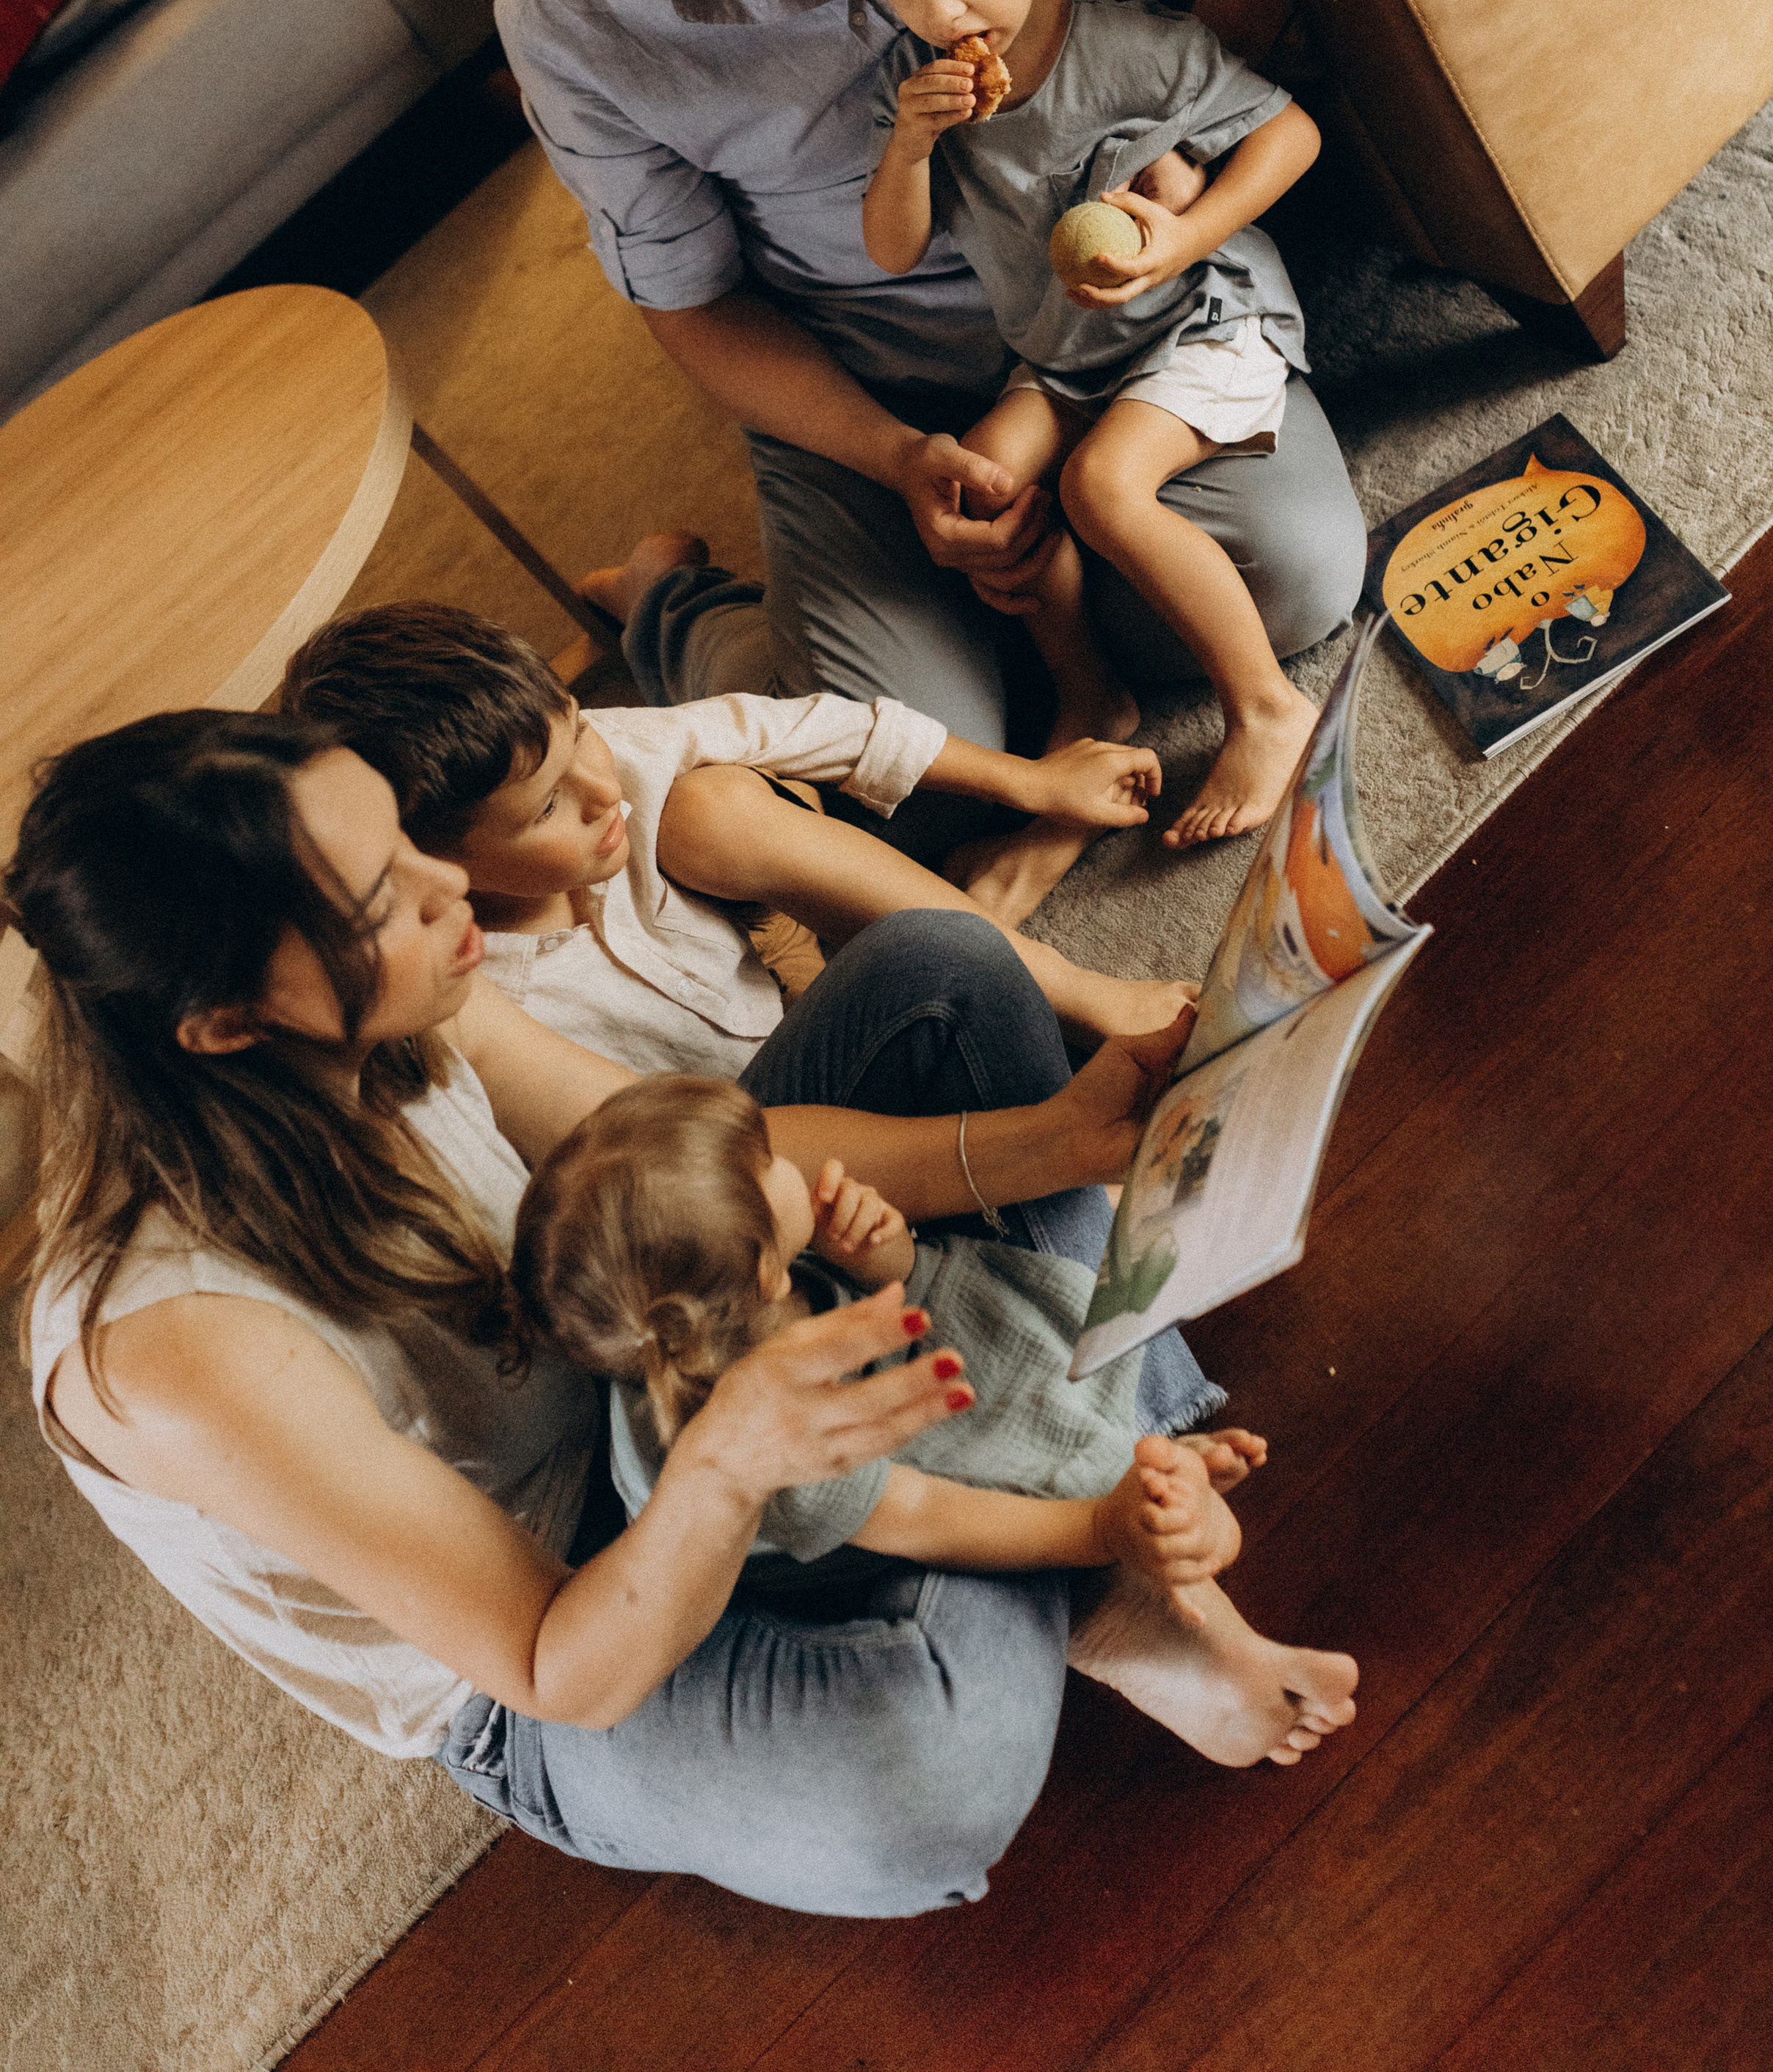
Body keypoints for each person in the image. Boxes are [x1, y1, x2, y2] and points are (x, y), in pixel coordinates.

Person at [12, 710, 1351, 1918]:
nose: (450, 883)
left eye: (411, 848)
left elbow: (707, 1159)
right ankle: (1096, 1538)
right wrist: (728, 1466)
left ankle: (1063, 1508)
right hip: (558, 1606)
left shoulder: (407, 991)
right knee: (919, 1779)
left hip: (635, 1340)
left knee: (940, 969)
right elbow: (554, 1665)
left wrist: (1052, 1141)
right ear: (229, 1021)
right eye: (382, 898)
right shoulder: (171, 1348)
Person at [440, 0, 1368, 894]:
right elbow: (688, 304)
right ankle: (677, 608)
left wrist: (1173, 129)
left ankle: (1009, 639)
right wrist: (896, 462)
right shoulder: (558, 20)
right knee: (895, 811)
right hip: (871, 369)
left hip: (1105, 336)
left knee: (1299, 581)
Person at [511, 1073, 1358, 1764]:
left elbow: (898, 1278)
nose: (790, 1161)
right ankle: (1213, 1645)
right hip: (876, 1532)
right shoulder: (774, 1448)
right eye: (770, 1165)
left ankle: (1133, 1484)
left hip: (886, 1382)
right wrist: (1098, 1527)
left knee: (1020, 1346)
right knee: (1031, 1484)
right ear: (763, 1271)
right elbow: (922, 1516)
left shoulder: (714, 1302)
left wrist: (875, 1251)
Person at [818, 0, 1325, 852]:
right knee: (987, 490)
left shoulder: (1130, 51)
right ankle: (1092, 695)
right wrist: (906, 152)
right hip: (1066, 355)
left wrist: (1184, 235)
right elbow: (892, 250)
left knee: (1103, 484)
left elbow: (1292, 134)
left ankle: (1269, 707)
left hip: (1204, 318)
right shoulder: (919, 92)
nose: (938, 13)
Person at [281, 601, 1195, 1063]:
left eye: (581, 733)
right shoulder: (464, 1008)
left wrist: (1028, 778)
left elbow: (801, 728)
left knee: (707, 801)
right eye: (550, 808)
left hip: (783, 952)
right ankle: (988, 895)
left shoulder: (614, 764)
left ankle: (665, 596)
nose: (603, 791)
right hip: (771, 1115)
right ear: (428, 862)